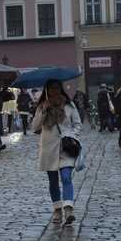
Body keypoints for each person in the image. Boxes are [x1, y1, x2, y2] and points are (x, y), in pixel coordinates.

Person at [32, 80, 82, 226]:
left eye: (57, 88)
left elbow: (77, 124)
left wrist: (72, 136)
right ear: (47, 91)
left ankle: (68, 209)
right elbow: (35, 126)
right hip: (48, 148)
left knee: (66, 177)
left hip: (65, 147)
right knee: (53, 181)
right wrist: (43, 110)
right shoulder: (42, 106)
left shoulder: (69, 105)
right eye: (51, 89)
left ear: (61, 89)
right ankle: (57, 210)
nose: (54, 91)